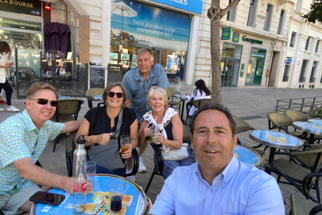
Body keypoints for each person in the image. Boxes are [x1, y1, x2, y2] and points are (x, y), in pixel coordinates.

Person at [149, 103, 284, 215]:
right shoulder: (177, 178)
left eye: (220, 131)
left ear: (234, 142)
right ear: (192, 141)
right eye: (202, 131)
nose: (211, 139)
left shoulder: (260, 187)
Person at [0, 82, 93, 214]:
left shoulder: (45, 126)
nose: (48, 107)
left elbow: (67, 126)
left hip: (19, 187)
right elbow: (26, 170)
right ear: (28, 103)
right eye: (42, 101)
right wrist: (66, 182)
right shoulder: (13, 128)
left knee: (61, 208)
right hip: (2, 189)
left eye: (53, 103)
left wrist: (91, 120)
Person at [75, 82, 138, 180]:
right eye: (111, 94)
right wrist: (94, 139)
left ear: (123, 99)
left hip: (118, 165)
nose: (115, 97)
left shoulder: (129, 115)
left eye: (119, 94)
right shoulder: (93, 114)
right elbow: (77, 140)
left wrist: (130, 147)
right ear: (105, 97)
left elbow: (134, 139)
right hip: (93, 165)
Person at [122, 48, 170, 172]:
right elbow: (126, 103)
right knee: (133, 139)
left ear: (152, 61)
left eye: (146, 60)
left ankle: (140, 156)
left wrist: (163, 117)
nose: (143, 63)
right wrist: (130, 123)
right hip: (134, 111)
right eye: (140, 60)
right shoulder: (129, 77)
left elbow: (164, 97)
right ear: (136, 62)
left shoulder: (158, 70)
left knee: (149, 136)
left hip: (152, 112)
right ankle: (129, 167)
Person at [139, 86, 194, 178]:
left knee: (191, 176)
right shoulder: (147, 119)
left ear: (164, 101)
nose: (157, 102)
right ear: (149, 102)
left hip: (182, 153)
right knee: (177, 176)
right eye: (154, 99)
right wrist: (142, 134)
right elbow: (139, 144)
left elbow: (178, 144)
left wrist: (163, 140)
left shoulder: (172, 115)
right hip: (164, 156)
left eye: (160, 99)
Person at [0, 41, 19, 112]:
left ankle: (9, 106)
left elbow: (7, 60)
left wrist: (10, 53)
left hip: (2, 75)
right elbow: (5, 64)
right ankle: (9, 106)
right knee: (9, 90)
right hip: (1, 76)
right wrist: (6, 66)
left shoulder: (1, 55)